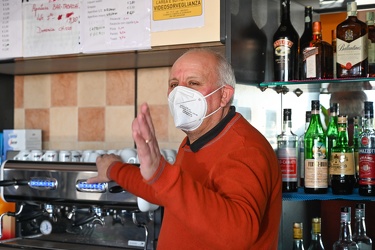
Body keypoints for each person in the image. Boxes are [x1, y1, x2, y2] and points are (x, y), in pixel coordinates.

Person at [87, 48, 282, 249]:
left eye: (193, 83)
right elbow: (172, 193)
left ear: (224, 95)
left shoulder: (245, 149)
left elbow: (238, 234)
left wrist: (161, 174)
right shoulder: (196, 139)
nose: (180, 93)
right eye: (174, 84)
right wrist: (114, 169)